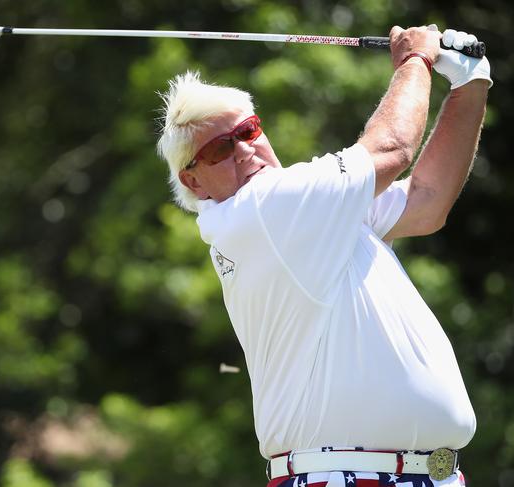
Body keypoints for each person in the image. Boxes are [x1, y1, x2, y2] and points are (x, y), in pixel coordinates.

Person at [157, 24, 492, 487]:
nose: (245, 149)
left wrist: (470, 86)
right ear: (193, 182)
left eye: (248, 130)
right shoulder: (264, 208)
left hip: (428, 475)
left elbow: (427, 201)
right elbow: (391, 149)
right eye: (219, 149)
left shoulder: (303, 213)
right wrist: (417, 61)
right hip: (344, 476)